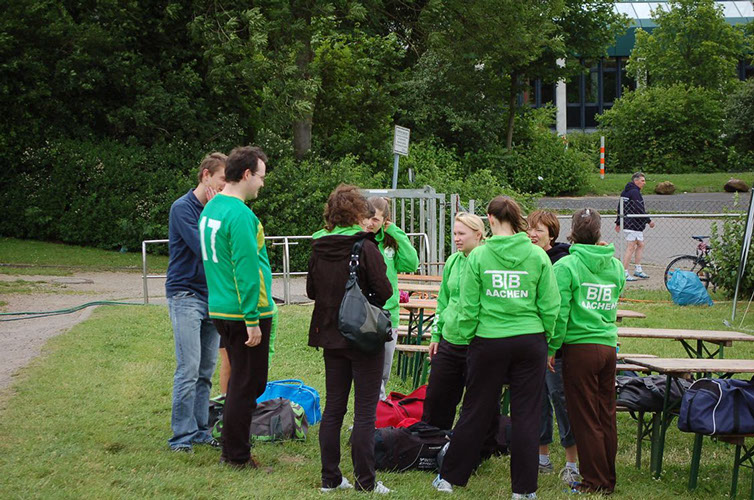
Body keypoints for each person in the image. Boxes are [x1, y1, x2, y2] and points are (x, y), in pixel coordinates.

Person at [433, 196, 561, 498]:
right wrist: (549, 341)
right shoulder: (537, 255)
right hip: (530, 341)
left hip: (488, 341)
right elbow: (550, 304)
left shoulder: (479, 256)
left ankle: (449, 478)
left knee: (475, 409)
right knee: (527, 414)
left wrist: (467, 338)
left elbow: (468, 306)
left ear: (490, 219)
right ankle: (524, 491)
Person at [307, 185, 394, 493]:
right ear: (358, 213)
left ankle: (330, 478)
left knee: (334, 408)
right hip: (363, 335)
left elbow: (311, 291)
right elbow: (385, 291)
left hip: (331, 335)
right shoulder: (364, 246)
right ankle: (365, 482)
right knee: (365, 411)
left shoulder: (319, 246)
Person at [200, 146, 274, 468]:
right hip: (244, 311)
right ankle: (236, 455)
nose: (262, 184)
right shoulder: (241, 215)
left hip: (220, 308)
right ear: (246, 174)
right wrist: (252, 319)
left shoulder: (211, 207)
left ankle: (231, 450)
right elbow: (246, 271)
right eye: (261, 177)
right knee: (248, 384)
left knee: (241, 383)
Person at [551, 208, 625, 494]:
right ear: (598, 233)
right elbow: (617, 291)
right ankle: (608, 477)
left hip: (580, 347)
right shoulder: (615, 265)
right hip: (607, 345)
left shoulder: (567, 266)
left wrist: (552, 347)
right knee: (606, 414)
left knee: (585, 417)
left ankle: (594, 481)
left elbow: (560, 313)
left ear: (571, 233)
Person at [165, 152, 227, 452]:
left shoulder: (217, 209)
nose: (225, 186)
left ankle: (201, 430)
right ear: (206, 176)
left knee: (205, 371)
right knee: (188, 369)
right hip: (186, 295)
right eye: (222, 179)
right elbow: (206, 247)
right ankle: (181, 437)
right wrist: (214, 211)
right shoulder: (182, 208)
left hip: (211, 296)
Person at [526, 210, 580, 484]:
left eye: (539, 230)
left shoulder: (563, 260)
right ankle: (542, 458)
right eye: (530, 229)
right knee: (537, 401)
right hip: (532, 341)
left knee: (561, 400)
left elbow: (561, 308)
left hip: (557, 345)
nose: (533, 234)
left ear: (552, 234)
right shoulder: (527, 258)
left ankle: (572, 462)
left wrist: (554, 344)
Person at [421, 212, 485, 430]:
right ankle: (432, 438)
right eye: (455, 233)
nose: (456, 238)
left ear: (478, 235)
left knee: (477, 402)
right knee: (437, 396)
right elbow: (443, 301)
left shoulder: (486, 261)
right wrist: (436, 334)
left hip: (478, 340)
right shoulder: (453, 261)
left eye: (461, 234)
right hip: (449, 339)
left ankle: (476, 442)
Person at [365, 196, 420, 400]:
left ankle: (376, 411)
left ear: (385, 221)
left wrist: (394, 231)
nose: (371, 223)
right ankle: (374, 413)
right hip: (364, 313)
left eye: (376, 219)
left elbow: (411, 263)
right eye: (368, 217)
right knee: (369, 372)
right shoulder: (358, 239)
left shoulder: (389, 241)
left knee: (383, 372)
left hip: (389, 314)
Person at [614, 172, 655, 281]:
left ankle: (638, 269)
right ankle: (624, 272)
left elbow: (620, 207)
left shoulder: (626, 191)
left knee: (640, 244)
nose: (644, 183)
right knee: (631, 247)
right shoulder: (634, 192)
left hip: (632, 223)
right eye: (642, 181)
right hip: (632, 224)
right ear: (635, 181)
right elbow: (638, 208)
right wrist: (649, 220)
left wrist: (618, 221)